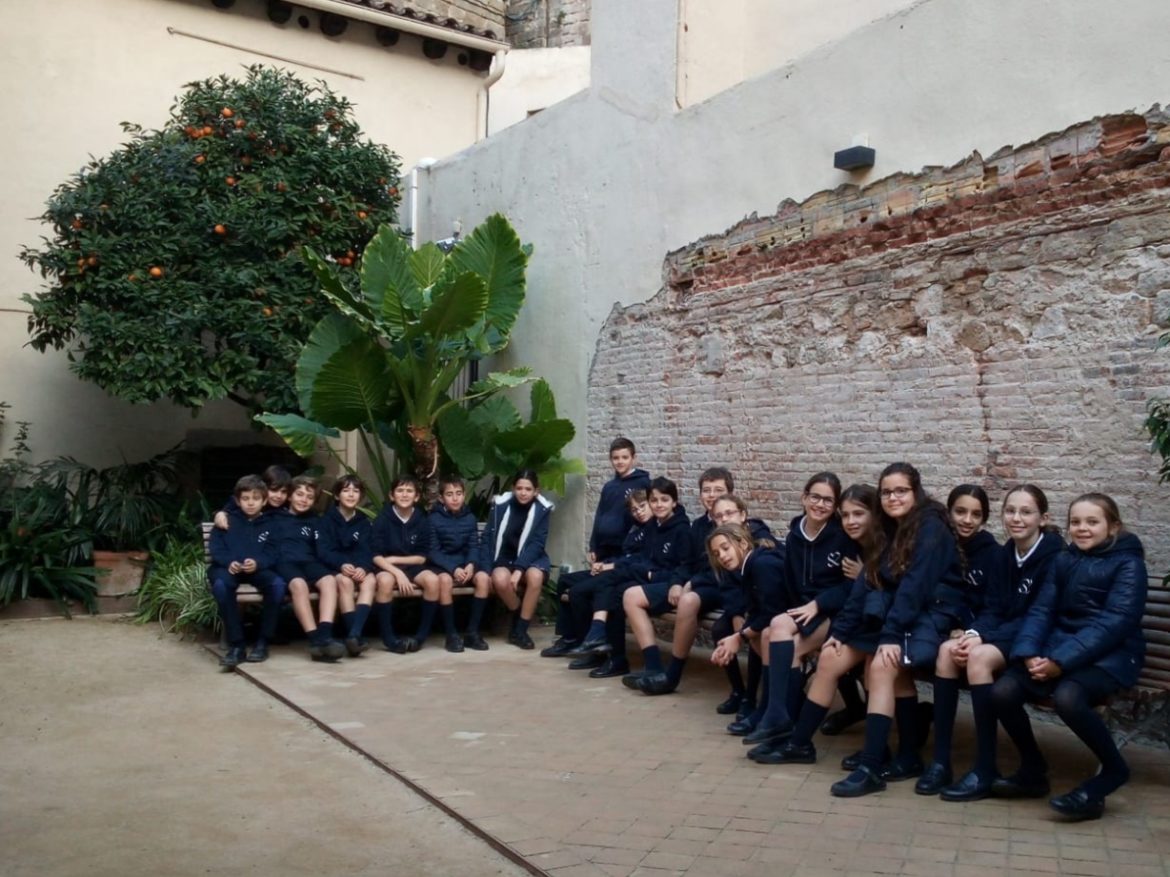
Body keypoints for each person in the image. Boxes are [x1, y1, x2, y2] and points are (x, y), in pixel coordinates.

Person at [768, 463, 964, 799]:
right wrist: (840, 632)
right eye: (887, 492)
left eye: (900, 491)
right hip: (898, 615)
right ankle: (800, 744)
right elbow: (868, 581)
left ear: (915, 492)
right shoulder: (892, 528)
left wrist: (890, 636)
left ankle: (872, 766)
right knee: (831, 657)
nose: (892, 497)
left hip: (931, 615)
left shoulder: (929, 528)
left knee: (882, 665)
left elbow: (915, 587)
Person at [988, 494, 1146, 820]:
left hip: (1113, 657)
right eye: (1076, 522)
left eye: (1092, 522)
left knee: (1068, 697)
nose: (1082, 529)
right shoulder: (1064, 559)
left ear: (1113, 526)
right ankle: (1033, 770)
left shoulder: (1129, 564)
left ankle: (1113, 771)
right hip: (1062, 652)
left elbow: (1114, 623)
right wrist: (1029, 652)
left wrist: (1060, 661)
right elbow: (1042, 610)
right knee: (1003, 691)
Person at [925, 485, 1063, 798]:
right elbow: (993, 608)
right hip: (1005, 635)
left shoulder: (1054, 557)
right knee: (948, 650)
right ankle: (940, 762)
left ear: (1043, 518)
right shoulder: (1005, 554)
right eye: (1010, 511)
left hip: (1036, 642)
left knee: (979, 658)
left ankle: (985, 768)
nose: (1016, 518)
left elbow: (1040, 617)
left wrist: (982, 639)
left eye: (1026, 512)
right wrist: (974, 633)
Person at [739, 474, 860, 756]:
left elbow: (851, 586)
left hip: (834, 613)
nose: (820, 504)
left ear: (836, 505)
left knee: (777, 626)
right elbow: (791, 582)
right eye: (815, 497)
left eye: (828, 500)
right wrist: (799, 609)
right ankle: (782, 722)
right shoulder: (795, 534)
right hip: (803, 611)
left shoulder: (842, 536)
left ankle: (777, 714)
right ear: (804, 497)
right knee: (773, 635)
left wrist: (817, 605)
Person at [620, 467, 733, 694]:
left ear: (730, 493)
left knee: (688, 601)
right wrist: (677, 582)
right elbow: (686, 562)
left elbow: (722, 570)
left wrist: (691, 584)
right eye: (706, 490)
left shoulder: (732, 523)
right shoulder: (698, 526)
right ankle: (653, 667)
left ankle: (672, 675)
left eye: (718, 490)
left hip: (722, 587)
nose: (711, 495)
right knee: (630, 595)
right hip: (697, 584)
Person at [547, 490, 653, 667]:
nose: (639, 512)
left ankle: (593, 645)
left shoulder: (653, 529)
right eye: (634, 510)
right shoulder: (635, 528)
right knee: (565, 580)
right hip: (617, 568)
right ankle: (572, 638)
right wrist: (604, 563)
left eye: (642, 507)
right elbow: (625, 555)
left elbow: (639, 561)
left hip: (630, 575)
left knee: (579, 592)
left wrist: (610, 566)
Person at [707, 523, 791, 712]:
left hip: (796, 620)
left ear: (743, 544)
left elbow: (772, 611)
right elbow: (757, 611)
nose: (722, 556)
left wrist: (739, 637)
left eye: (725, 548)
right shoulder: (749, 566)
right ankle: (769, 707)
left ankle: (772, 708)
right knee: (755, 633)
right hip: (781, 620)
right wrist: (737, 637)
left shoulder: (762, 564)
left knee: (764, 633)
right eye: (716, 553)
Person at [207, 474, 287, 669]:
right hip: (228, 568)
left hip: (257, 569)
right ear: (237, 500)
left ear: (264, 500)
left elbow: (274, 552)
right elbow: (217, 548)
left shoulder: (271, 524)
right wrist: (229, 562)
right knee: (221, 586)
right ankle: (237, 645)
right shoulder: (227, 521)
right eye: (245, 499)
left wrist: (258, 563)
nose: (250, 503)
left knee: (277, 586)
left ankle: (263, 642)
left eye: (256, 498)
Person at [477, 469, 554, 649]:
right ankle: (518, 612)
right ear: (513, 488)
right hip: (504, 556)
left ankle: (520, 630)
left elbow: (537, 543)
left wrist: (519, 569)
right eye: (519, 488)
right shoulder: (500, 505)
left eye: (528, 489)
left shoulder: (542, 510)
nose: (523, 492)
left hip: (531, 556)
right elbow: (488, 536)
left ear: (536, 491)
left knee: (535, 577)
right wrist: (486, 569)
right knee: (500, 580)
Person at [273, 474, 346, 662]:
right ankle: (314, 640)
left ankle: (325, 635)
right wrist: (221, 514)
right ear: (289, 496)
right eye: (299, 494)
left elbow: (322, 549)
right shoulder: (274, 517)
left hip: (309, 562)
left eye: (309, 497)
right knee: (299, 585)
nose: (303, 499)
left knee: (329, 580)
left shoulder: (315, 521)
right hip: (285, 563)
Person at [317, 475, 387, 654]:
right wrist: (342, 565)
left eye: (356, 491)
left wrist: (363, 568)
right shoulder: (326, 521)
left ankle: (354, 635)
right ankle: (353, 635)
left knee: (370, 581)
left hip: (358, 567)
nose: (351, 495)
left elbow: (367, 550)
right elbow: (324, 551)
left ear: (361, 497)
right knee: (345, 582)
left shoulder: (363, 522)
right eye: (346, 490)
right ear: (337, 495)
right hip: (336, 567)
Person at [371, 477, 434, 651]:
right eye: (400, 491)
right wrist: (397, 572)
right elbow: (376, 556)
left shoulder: (422, 520)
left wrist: (397, 560)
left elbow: (422, 557)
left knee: (432, 581)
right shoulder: (382, 519)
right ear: (391, 495)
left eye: (409, 491)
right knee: (385, 581)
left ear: (416, 497)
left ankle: (420, 637)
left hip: (412, 565)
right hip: (385, 567)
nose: (404, 495)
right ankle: (389, 638)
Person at [425, 476, 485, 652]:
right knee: (445, 581)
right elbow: (433, 551)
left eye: (458, 493)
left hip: (465, 565)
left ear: (464, 495)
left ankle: (472, 633)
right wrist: (453, 568)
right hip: (442, 565)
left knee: (483, 579)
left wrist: (471, 564)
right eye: (450, 494)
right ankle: (451, 634)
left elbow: (473, 546)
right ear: (441, 498)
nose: (455, 498)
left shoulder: (470, 518)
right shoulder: (433, 519)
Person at [212, 464, 292, 530]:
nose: (279, 496)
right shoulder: (244, 500)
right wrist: (220, 514)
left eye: (283, 492)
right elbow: (225, 510)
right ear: (264, 487)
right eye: (274, 490)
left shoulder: (286, 507)